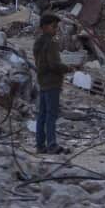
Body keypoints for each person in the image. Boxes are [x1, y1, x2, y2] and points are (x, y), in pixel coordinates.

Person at [33, 13, 69, 155]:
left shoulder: (38, 43)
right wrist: (68, 68)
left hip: (42, 81)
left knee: (42, 115)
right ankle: (52, 145)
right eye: (54, 26)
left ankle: (40, 145)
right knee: (51, 115)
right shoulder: (51, 43)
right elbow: (54, 64)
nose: (56, 29)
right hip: (52, 82)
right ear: (45, 27)